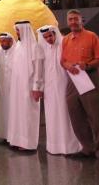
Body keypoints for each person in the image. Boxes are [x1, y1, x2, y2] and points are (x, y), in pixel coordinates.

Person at [60, 9, 99, 163]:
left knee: (96, 116)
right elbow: (62, 60)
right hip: (73, 80)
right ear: (67, 22)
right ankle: (87, 148)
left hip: (90, 77)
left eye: (76, 19)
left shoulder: (91, 36)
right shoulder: (66, 40)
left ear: (82, 20)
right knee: (76, 116)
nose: (73, 22)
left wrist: (87, 65)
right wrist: (68, 66)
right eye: (70, 19)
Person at [37, 25, 81, 155]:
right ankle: (54, 147)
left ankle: (70, 146)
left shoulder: (64, 46)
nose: (48, 39)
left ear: (55, 34)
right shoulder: (43, 49)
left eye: (50, 35)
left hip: (64, 85)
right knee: (52, 115)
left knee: (65, 114)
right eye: (45, 37)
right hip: (49, 88)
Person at [7, 21, 44, 151]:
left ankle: (28, 144)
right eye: (16, 30)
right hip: (17, 86)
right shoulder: (18, 46)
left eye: (18, 30)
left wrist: (36, 88)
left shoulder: (35, 47)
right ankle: (17, 140)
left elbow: (39, 69)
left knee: (28, 114)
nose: (17, 33)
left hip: (29, 87)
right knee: (17, 113)